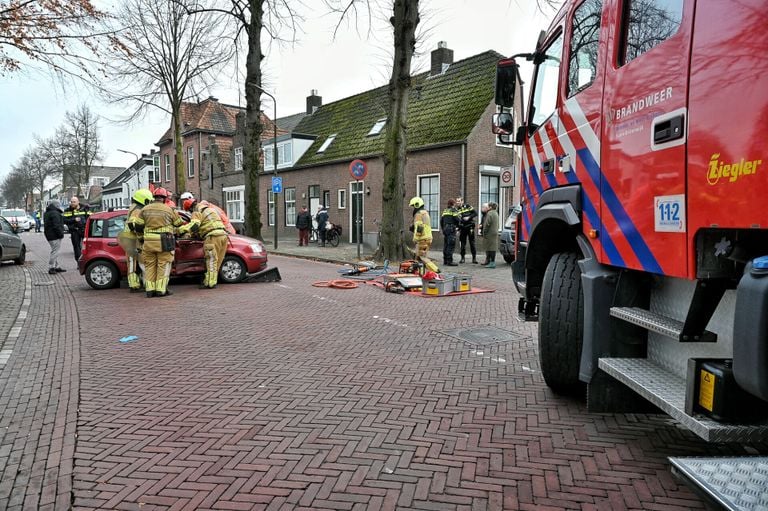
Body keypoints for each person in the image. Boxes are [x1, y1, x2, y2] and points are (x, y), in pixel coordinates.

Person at [129, 188, 184, 297]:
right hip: (164, 241)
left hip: (148, 242)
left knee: (150, 266)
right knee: (163, 265)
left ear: (154, 198)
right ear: (164, 199)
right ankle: (161, 290)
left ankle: (149, 290)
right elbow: (179, 223)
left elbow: (138, 226)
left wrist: (141, 238)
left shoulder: (144, 209)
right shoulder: (169, 209)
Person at [179, 195, 229, 289]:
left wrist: (180, 230)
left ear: (190, 208)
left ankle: (210, 283)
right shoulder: (210, 210)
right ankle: (213, 280)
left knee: (211, 260)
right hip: (223, 236)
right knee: (217, 261)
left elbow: (194, 226)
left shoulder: (197, 212)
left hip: (212, 237)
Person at [119, 189, 153, 292]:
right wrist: (141, 235)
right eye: (148, 201)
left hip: (130, 238)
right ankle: (134, 285)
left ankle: (137, 283)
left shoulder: (134, 207)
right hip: (132, 239)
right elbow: (133, 224)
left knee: (133, 263)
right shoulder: (137, 210)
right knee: (133, 263)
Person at [63, 196, 90, 261]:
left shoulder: (85, 209)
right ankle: (79, 261)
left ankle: (87, 260)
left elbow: (90, 218)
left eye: (74, 202)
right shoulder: (67, 210)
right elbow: (64, 220)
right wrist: (74, 220)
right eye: (71, 202)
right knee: (76, 247)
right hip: (74, 230)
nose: (72, 203)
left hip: (84, 230)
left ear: (78, 202)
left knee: (87, 246)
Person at [43, 200, 66, 275]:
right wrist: (61, 234)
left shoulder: (47, 212)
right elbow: (56, 225)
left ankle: (56, 266)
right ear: (56, 205)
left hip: (49, 234)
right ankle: (51, 267)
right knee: (55, 251)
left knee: (55, 250)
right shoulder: (55, 213)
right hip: (54, 235)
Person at [455, 197, 478, 264]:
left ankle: (474, 258)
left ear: (462, 201)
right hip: (463, 228)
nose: (457, 202)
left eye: (459, 201)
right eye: (457, 201)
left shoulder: (467, 206)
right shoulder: (457, 210)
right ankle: (462, 258)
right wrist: (458, 229)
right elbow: (458, 220)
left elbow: (475, 213)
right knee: (462, 243)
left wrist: (469, 217)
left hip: (470, 226)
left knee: (472, 242)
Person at [440, 198, 460, 266]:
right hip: (451, 228)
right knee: (450, 245)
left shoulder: (445, 211)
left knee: (446, 245)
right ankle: (449, 261)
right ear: (453, 204)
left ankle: (445, 260)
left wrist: (443, 229)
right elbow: (457, 219)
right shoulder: (453, 210)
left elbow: (441, 221)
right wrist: (458, 226)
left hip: (445, 228)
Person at [481, 202, 500, 268]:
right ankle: (491, 262)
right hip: (494, 232)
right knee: (493, 247)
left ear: (491, 207)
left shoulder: (489, 213)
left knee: (490, 248)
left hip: (490, 233)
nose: (488, 207)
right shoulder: (496, 213)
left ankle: (492, 263)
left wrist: (484, 232)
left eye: (488, 206)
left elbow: (487, 224)